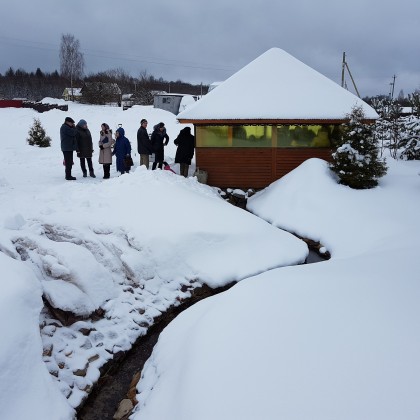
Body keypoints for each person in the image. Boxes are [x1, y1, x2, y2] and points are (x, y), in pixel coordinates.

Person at [60, 116, 77, 180]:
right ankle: (68, 176)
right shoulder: (65, 127)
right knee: (68, 162)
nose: (72, 124)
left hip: (68, 147)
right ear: (67, 122)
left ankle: (68, 175)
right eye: (71, 123)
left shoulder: (66, 127)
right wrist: (74, 128)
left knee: (69, 162)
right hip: (67, 147)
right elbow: (73, 133)